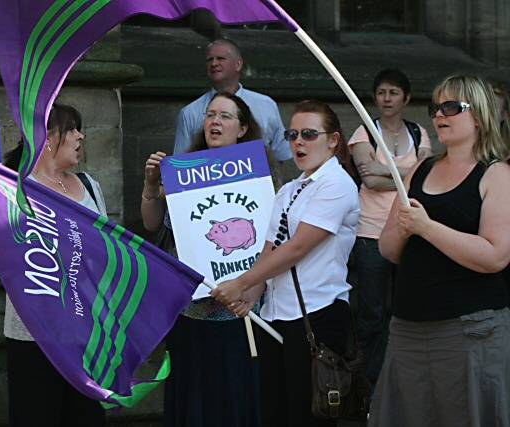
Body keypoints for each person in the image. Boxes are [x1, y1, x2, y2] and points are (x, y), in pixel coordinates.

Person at [212, 100, 360, 427]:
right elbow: (271, 248)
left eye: (309, 134)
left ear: (333, 140)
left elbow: (297, 248)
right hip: (278, 313)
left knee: (308, 415)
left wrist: (240, 281)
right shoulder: (290, 189)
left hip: (317, 314)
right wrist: (251, 292)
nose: (298, 142)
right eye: (292, 134)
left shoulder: (336, 184)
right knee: (275, 413)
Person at [372, 75, 510, 426]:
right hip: (407, 329)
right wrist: (405, 229)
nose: (439, 115)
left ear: (478, 115)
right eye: (435, 107)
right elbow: (387, 248)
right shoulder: (422, 167)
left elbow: (495, 255)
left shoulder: (497, 175)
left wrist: (427, 227)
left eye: (451, 107)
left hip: (468, 331)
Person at [142, 92, 264, 427]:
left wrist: (254, 288)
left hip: (239, 312)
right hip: (189, 311)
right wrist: (152, 186)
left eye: (225, 116)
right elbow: (153, 224)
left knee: (232, 397)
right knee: (193, 398)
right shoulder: (183, 171)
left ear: (242, 128)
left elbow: (271, 241)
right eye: (210, 115)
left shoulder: (259, 174)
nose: (215, 122)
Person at [3, 103, 106, 427]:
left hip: (86, 334)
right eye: (72, 129)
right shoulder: (12, 190)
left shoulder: (89, 184)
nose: (81, 136)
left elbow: (107, 251)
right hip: (34, 336)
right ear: (46, 138)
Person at [346, 68, 432, 386]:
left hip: (407, 231)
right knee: (372, 311)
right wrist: (405, 173)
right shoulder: (364, 132)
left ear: (406, 98)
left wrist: (387, 169)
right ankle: (371, 380)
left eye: (393, 92)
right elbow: (369, 178)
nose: (386, 98)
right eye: (381, 92)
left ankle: (403, 375)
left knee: (405, 307)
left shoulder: (419, 132)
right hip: (370, 234)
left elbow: (424, 177)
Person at [173, 38, 292, 162]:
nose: (214, 64)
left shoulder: (266, 105)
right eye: (209, 60)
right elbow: (182, 163)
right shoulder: (189, 112)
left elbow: (280, 154)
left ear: (238, 64)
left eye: (220, 58)